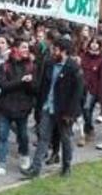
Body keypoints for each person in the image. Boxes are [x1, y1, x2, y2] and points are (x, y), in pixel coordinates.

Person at [21, 37, 82, 179]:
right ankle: (35, 169)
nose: (53, 52)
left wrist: (70, 114)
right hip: (48, 108)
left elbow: (77, 93)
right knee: (43, 138)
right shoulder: (48, 64)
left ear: (64, 51)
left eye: (55, 49)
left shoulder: (73, 68)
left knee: (65, 139)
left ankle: (66, 167)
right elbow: (43, 86)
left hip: (64, 111)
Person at [0, 38, 35, 177]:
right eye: (23, 47)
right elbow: (3, 85)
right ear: (16, 49)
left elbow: (35, 88)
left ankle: (24, 156)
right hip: (5, 106)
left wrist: (29, 83)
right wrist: (21, 81)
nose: (26, 50)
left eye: (27, 47)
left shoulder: (31, 66)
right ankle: (1, 164)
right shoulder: (5, 66)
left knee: (23, 135)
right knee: (2, 136)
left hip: (22, 106)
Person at [79, 36, 102, 147]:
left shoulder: (101, 60)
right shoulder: (84, 56)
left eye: (96, 43)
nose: (94, 45)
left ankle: (87, 130)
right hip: (81, 87)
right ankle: (88, 128)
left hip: (93, 89)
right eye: (92, 42)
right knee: (83, 110)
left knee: (87, 109)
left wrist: (100, 93)